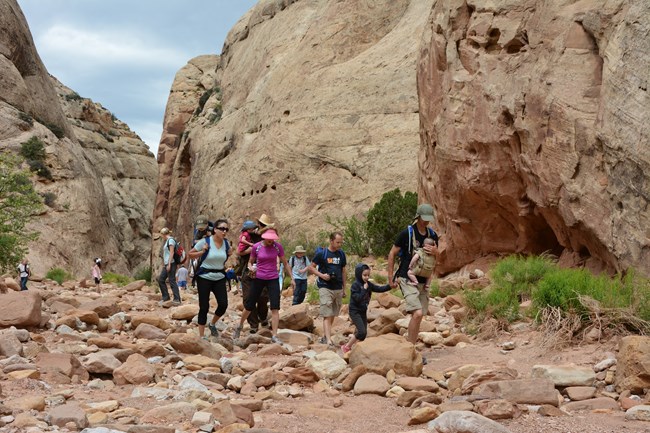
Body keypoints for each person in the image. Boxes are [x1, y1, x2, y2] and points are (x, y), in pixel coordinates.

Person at [387, 204, 439, 349]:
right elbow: (392, 253)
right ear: (418, 217)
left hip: (424, 279)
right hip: (407, 278)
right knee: (416, 313)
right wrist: (390, 277)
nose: (426, 222)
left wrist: (436, 252)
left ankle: (412, 347)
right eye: (424, 218)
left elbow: (437, 259)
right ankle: (410, 349)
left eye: (428, 219)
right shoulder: (406, 234)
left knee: (420, 314)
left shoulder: (432, 236)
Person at [232, 229, 292, 344]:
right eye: (269, 239)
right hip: (259, 278)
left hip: (273, 278)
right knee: (249, 305)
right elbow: (250, 261)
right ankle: (239, 326)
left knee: (275, 307)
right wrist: (251, 267)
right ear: (264, 237)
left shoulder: (278, 247)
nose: (271, 241)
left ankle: (274, 335)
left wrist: (292, 278)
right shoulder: (257, 247)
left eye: (273, 239)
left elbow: (285, 263)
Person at [188, 218, 232, 340]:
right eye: (222, 229)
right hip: (204, 277)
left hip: (219, 277)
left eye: (226, 229)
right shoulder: (205, 241)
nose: (224, 231)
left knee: (223, 304)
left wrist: (230, 253)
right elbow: (190, 254)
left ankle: (212, 323)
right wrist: (202, 251)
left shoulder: (226, 243)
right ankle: (202, 335)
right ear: (215, 230)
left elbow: (227, 255)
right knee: (204, 307)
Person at [341, 263, 391, 353]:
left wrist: (390, 286)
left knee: (363, 335)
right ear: (359, 274)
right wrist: (364, 289)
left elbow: (379, 288)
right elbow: (357, 299)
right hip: (355, 311)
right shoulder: (355, 285)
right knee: (361, 332)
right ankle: (346, 347)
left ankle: (357, 347)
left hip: (362, 311)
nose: (367, 277)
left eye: (368, 275)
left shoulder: (368, 284)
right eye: (364, 275)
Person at [236, 215, 273, 333]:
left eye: (264, 226)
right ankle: (253, 324)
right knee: (247, 299)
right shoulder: (250, 236)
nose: (262, 228)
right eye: (261, 225)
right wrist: (254, 248)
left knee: (263, 297)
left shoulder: (270, 239)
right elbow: (239, 251)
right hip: (248, 272)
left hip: (264, 272)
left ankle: (263, 317)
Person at [309, 232, 347, 346]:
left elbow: (343, 271)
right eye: (337, 242)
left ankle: (326, 336)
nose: (340, 244)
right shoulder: (322, 253)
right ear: (331, 241)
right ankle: (329, 340)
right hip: (325, 286)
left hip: (338, 287)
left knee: (333, 314)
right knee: (326, 313)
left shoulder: (341, 254)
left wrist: (344, 288)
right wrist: (321, 275)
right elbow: (311, 267)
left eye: (341, 242)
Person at [158, 227, 181, 306]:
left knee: (172, 280)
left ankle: (177, 299)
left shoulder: (171, 240)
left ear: (164, 234)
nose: (162, 236)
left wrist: (169, 264)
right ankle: (166, 297)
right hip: (167, 263)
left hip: (171, 263)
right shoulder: (168, 240)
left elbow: (171, 253)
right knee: (161, 279)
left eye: (162, 235)